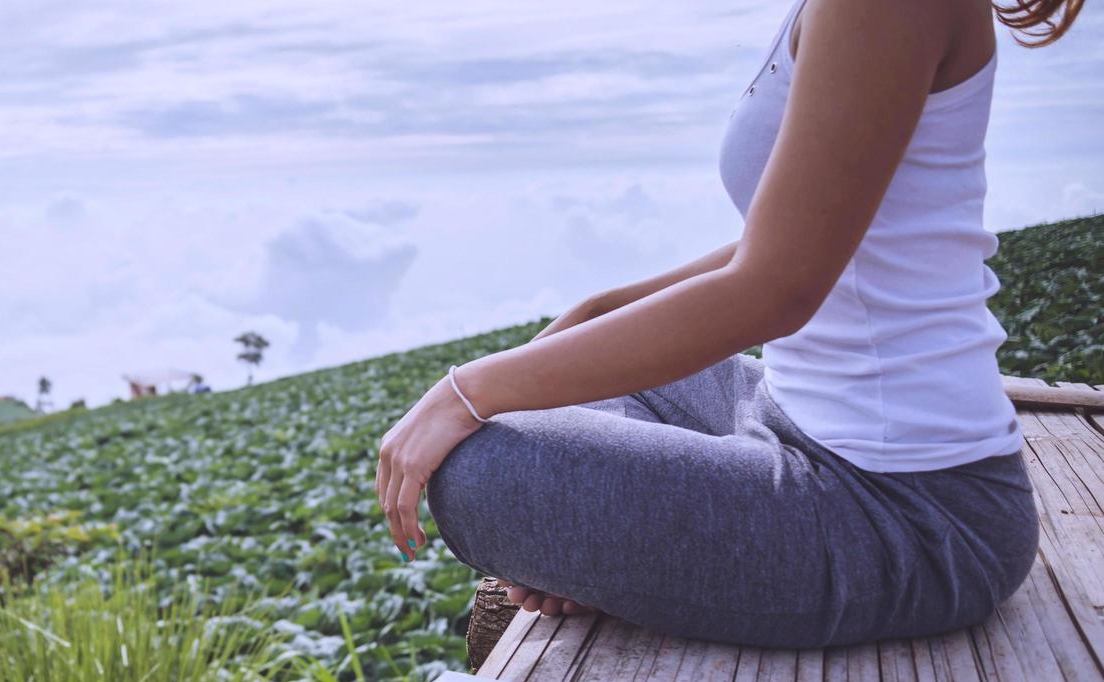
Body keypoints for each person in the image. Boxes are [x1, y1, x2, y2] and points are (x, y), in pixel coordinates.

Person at [376, 0, 1083, 648]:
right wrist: (598, 310)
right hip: (789, 414)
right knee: (571, 372)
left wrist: (464, 390)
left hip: (911, 511)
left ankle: (625, 548)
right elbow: (797, 236)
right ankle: (626, 549)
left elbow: (777, 289)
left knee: (478, 470)